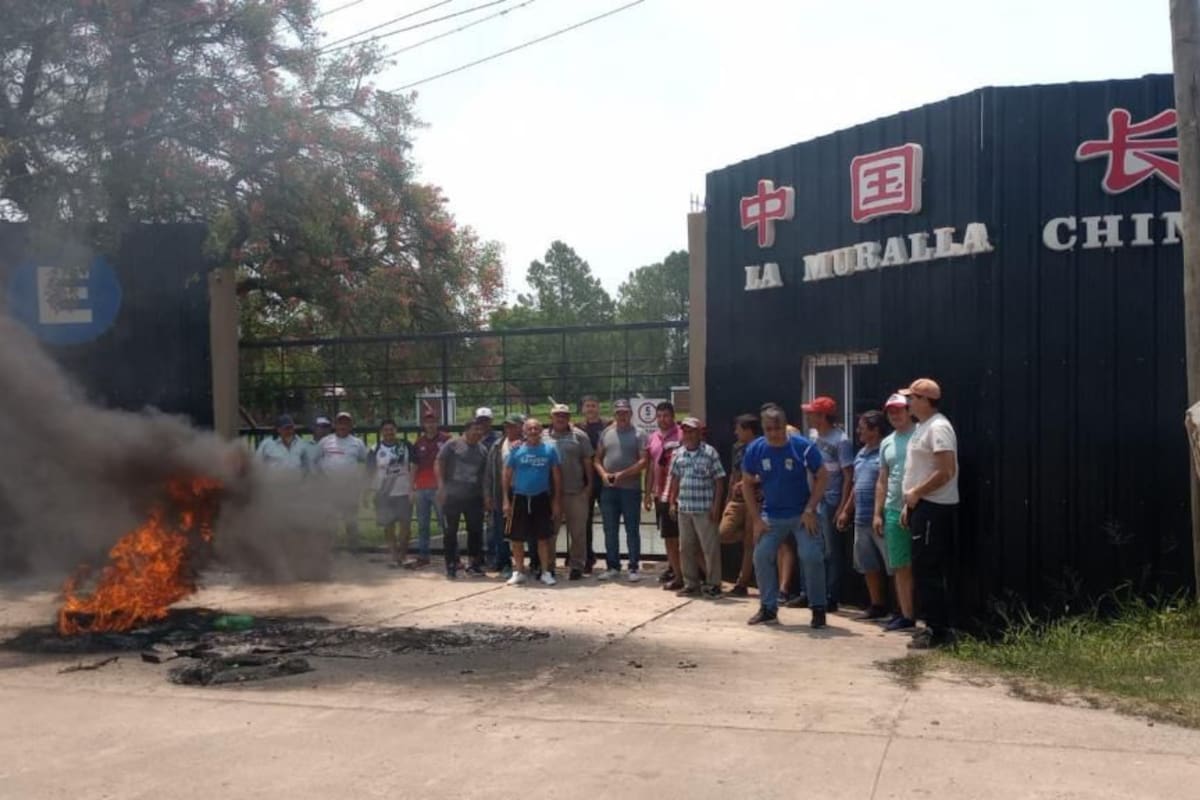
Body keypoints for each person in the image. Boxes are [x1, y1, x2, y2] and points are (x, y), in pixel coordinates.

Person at [742, 406, 829, 626]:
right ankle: (768, 608)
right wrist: (756, 519)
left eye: (777, 428)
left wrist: (810, 509)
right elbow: (746, 482)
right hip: (771, 515)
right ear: (763, 429)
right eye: (769, 429)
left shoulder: (802, 447)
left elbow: (823, 476)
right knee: (761, 556)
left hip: (802, 514)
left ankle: (818, 608)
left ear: (785, 425)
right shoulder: (756, 449)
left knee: (811, 556)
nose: (774, 433)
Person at [900, 378, 960, 649]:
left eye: (912, 398)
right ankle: (934, 627)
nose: (908, 402)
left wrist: (917, 494)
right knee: (923, 568)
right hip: (922, 506)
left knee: (928, 570)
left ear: (925, 400)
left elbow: (946, 470)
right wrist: (909, 503)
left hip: (935, 508)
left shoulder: (939, 427)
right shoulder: (922, 427)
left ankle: (939, 632)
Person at [800, 396, 854, 612]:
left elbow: (848, 475)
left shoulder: (841, 440)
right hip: (811, 499)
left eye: (812, 413)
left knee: (831, 551)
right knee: (809, 546)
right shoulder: (811, 437)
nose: (808, 416)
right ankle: (809, 593)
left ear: (823, 416)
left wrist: (842, 507)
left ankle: (831, 596)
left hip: (830, 500)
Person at [668, 417, 727, 598]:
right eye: (685, 431)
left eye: (692, 431)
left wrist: (716, 506)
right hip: (684, 508)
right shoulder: (678, 454)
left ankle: (714, 584)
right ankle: (691, 584)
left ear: (700, 432)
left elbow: (719, 481)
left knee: (710, 549)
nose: (688, 434)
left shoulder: (710, 453)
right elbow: (675, 479)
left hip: (704, 508)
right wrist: (672, 501)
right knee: (685, 548)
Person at [840, 410, 890, 619]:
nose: (858, 431)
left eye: (862, 427)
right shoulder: (861, 453)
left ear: (875, 430)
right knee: (868, 564)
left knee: (893, 564)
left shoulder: (885, 451)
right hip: (861, 518)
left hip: (882, 518)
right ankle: (877, 605)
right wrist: (846, 510)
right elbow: (855, 485)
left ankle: (901, 609)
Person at [875, 393, 917, 631]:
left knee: (922, 563)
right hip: (892, 509)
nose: (895, 415)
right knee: (900, 564)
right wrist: (877, 513)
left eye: (899, 410)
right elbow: (882, 480)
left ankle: (928, 614)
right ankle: (906, 615)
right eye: (891, 411)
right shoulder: (887, 442)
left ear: (909, 410)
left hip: (919, 507)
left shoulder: (920, 435)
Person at [503, 418, 563, 586]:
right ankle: (520, 571)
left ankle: (545, 572)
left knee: (543, 538)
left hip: (541, 497)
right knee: (516, 538)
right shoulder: (516, 451)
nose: (533, 431)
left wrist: (556, 500)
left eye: (537, 428)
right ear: (524, 431)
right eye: (530, 428)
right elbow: (507, 475)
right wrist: (505, 500)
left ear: (541, 431)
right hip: (519, 497)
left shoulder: (550, 450)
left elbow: (557, 477)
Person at [594, 399, 649, 582]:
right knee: (609, 529)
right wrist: (603, 475)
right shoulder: (606, 433)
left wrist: (622, 475)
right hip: (608, 489)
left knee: (632, 530)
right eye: (618, 413)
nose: (622, 416)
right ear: (614, 414)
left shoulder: (639, 434)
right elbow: (596, 459)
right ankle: (613, 566)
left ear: (630, 414)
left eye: (625, 412)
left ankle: (633, 567)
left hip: (630, 490)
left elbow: (643, 461)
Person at [546, 403, 594, 581]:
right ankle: (548, 565)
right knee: (551, 532)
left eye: (564, 415)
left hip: (576, 491)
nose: (560, 418)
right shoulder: (543, 437)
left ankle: (576, 566)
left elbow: (588, 461)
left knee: (578, 532)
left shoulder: (579, 436)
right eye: (557, 415)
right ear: (551, 417)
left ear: (569, 418)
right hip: (551, 493)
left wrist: (589, 485)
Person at [436, 419, 490, 579]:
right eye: (475, 429)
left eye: (480, 430)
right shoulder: (452, 445)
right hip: (452, 495)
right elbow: (439, 462)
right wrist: (441, 487)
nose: (478, 433)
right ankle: (451, 564)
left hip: (473, 496)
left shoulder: (482, 450)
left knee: (475, 531)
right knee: (450, 531)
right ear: (466, 430)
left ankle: (474, 564)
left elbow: (484, 476)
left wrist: (486, 496)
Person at [314, 411, 369, 551]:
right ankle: (329, 551)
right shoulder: (325, 441)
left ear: (351, 425)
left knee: (351, 521)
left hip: (349, 488)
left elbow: (367, 460)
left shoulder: (357, 443)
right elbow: (314, 460)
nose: (342, 425)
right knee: (329, 521)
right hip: (329, 488)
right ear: (335, 425)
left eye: (346, 423)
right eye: (340, 422)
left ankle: (354, 551)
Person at [645, 401, 683, 588]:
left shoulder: (683, 435)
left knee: (682, 538)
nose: (662, 419)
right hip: (660, 494)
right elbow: (651, 467)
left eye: (666, 415)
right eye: (659, 416)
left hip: (680, 494)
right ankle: (675, 572)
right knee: (668, 536)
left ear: (673, 416)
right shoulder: (653, 437)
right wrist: (647, 493)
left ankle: (686, 574)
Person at [725, 414, 763, 596]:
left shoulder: (763, 447)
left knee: (750, 544)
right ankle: (745, 536)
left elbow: (767, 473)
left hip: (755, 498)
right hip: (737, 499)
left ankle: (743, 582)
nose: (735, 432)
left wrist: (750, 482)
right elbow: (734, 471)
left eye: (738, 429)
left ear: (748, 430)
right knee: (722, 533)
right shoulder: (737, 448)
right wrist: (729, 494)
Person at [370, 419, 415, 567]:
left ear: (396, 430)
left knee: (405, 526)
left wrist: (412, 488)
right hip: (384, 492)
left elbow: (414, 466)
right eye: (386, 429)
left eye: (392, 429)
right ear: (381, 432)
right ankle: (394, 556)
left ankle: (403, 555)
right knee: (388, 525)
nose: (389, 432)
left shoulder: (406, 446)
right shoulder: (375, 448)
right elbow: (369, 471)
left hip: (403, 491)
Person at [485, 413, 525, 578]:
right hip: (501, 491)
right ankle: (505, 563)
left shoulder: (529, 443)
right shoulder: (497, 445)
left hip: (523, 490)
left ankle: (532, 563)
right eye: (507, 426)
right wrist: (487, 494)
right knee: (500, 529)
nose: (509, 429)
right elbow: (488, 473)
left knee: (526, 528)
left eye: (513, 426)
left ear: (521, 427)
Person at [411, 411, 450, 568]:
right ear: (423, 424)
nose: (430, 424)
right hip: (421, 488)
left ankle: (452, 556)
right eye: (427, 421)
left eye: (433, 421)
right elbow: (414, 466)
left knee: (445, 523)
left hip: (438, 488)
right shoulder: (418, 442)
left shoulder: (446, 440)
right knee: (422, 524)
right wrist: (411, 487)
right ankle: (423, 555)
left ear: (437, 422)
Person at [580, 396, 608, 573]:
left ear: (598, 407)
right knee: (585, 521)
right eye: (587, 406)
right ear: (582, 409)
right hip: (585, 481)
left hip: (604, 479)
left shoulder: (607, 426)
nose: (590, 409)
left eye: (593, 405)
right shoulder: (577, 429)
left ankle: (612, 558)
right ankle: (587, 557)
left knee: (609, 521)